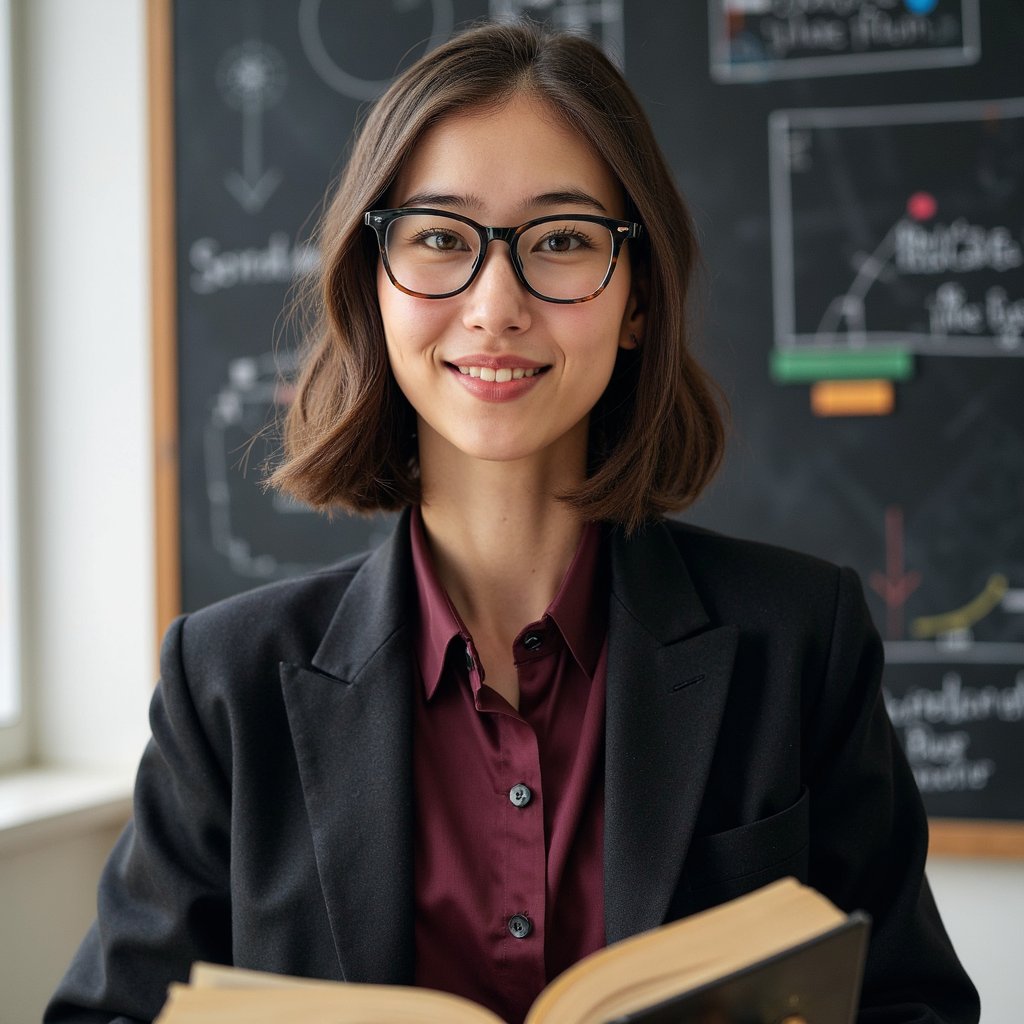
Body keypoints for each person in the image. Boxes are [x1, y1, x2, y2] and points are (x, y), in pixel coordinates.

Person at [47, 20, 978, 1024]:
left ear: (635, 301)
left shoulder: (801, 643)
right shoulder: (225, 683)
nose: (495, 305)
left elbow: (913, 1008)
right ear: (375, 281)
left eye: (564, 241)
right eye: (441, 238)